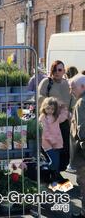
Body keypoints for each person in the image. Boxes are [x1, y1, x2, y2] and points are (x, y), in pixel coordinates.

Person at [38, 60, 72, 172]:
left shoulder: (68, 83)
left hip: (64, 122)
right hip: (50, 122)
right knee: (51, 149)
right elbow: (39, 99)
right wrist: (55, 103)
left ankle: (58, 172)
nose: (57, 72)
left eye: (60, 70)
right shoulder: (46, 82)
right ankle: (52, 173)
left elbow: (73, 100)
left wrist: (71, 113)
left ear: (64, 71)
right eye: (55, 69)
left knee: (65, 149)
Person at [39, 97, 69, 188]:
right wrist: (52, 141)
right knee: (54, 162)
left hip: (57, 143)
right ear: (44, 107)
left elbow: (64, 117)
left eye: (52, 109)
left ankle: (53, 179)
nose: (50, 111)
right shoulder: (43, 117)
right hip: (48, 144)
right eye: (48, 108)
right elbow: (45, 132)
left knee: (57, 163)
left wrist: (63, 108)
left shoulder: (55, 117)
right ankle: (44, 172)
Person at [69, 74, 85, 217]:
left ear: (83, 87)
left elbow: (82, 129)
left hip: (83, 153)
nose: (71, 91)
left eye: (72, 87)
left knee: (83, 184)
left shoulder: (81, 102)